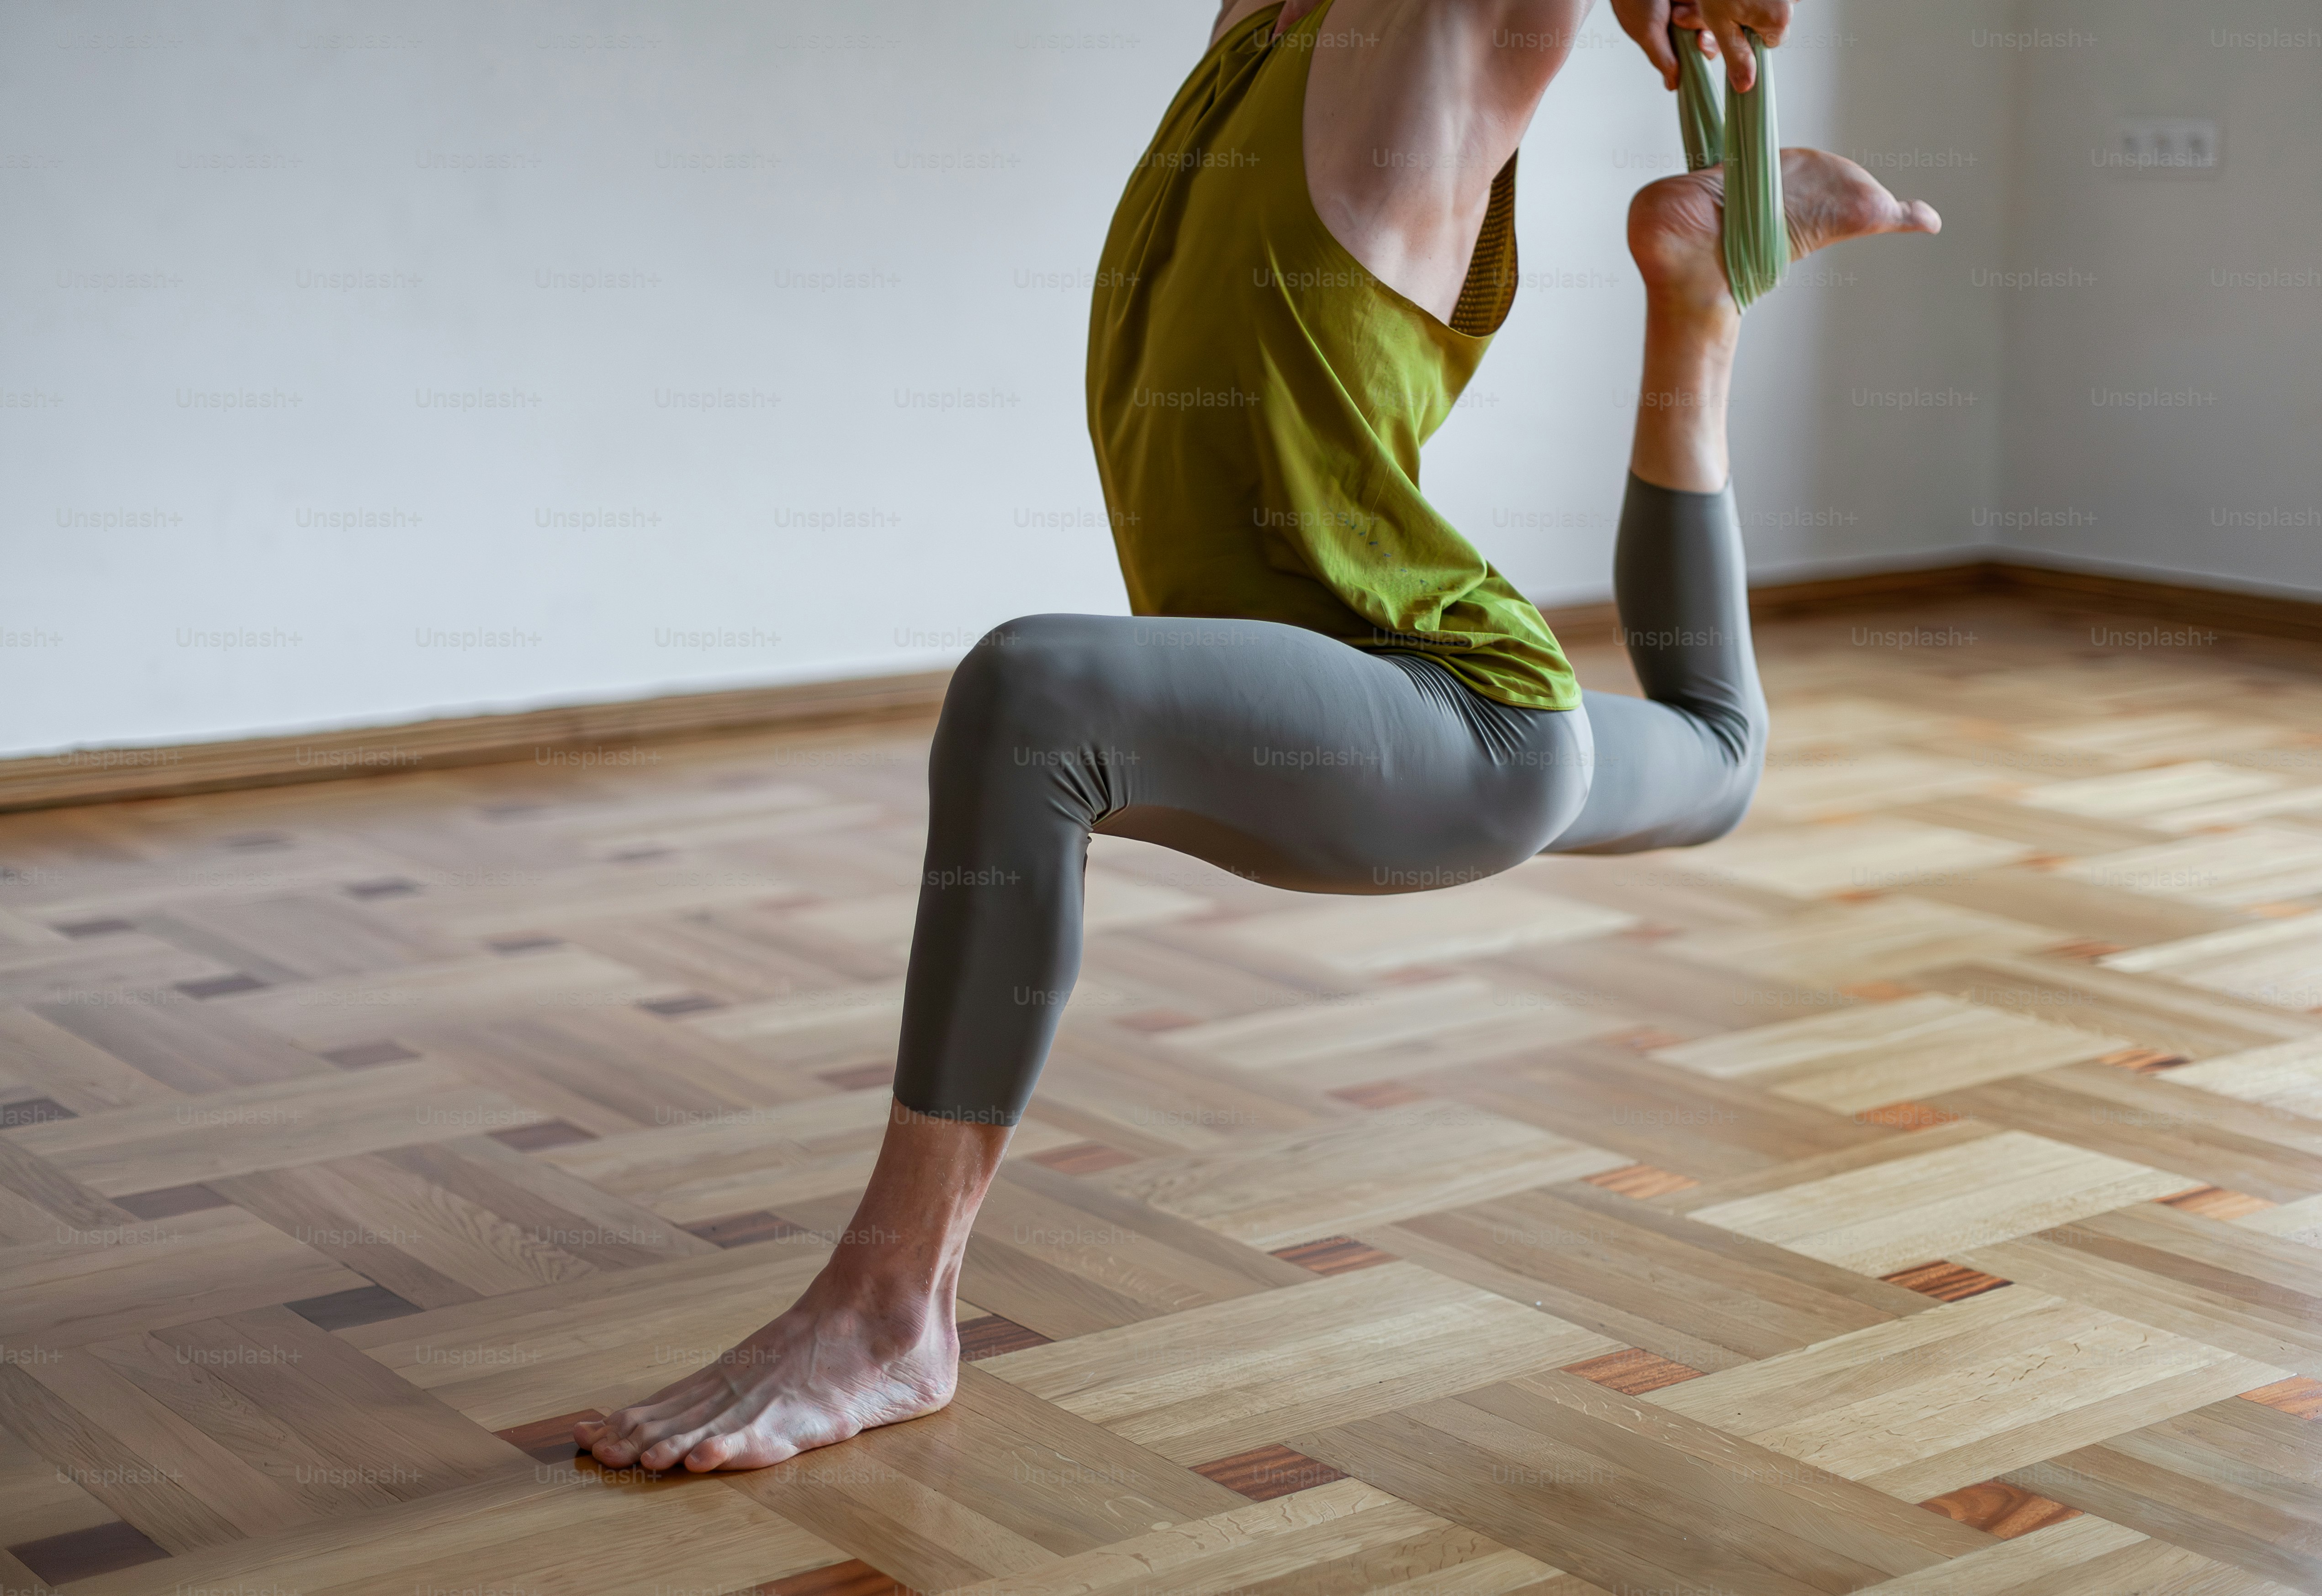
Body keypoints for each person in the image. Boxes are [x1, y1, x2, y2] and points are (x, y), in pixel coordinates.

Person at [579, 0, 1938, 1474]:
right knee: (1714, 762)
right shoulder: (1261, 25)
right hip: (1352, 701)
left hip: (1452, 717)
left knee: (1034, 696)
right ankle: (1697, 297)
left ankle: (889, 1309)